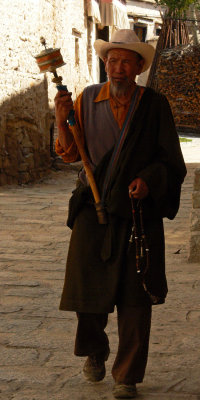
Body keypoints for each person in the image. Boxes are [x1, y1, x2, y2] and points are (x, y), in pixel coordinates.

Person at [54, 29, 187, 399]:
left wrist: (148, 180)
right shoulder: (86, 99)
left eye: (126, 61)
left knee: (135, 296)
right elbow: (68, 152)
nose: (118, 68)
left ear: (139, 67)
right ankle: (95, 352)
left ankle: (127, 376)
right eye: (113, 60)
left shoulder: (154, 106)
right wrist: (61, 117)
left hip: (137, 213)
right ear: (105, 64)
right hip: (92, 210)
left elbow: (171, 162)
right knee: (87, 292)